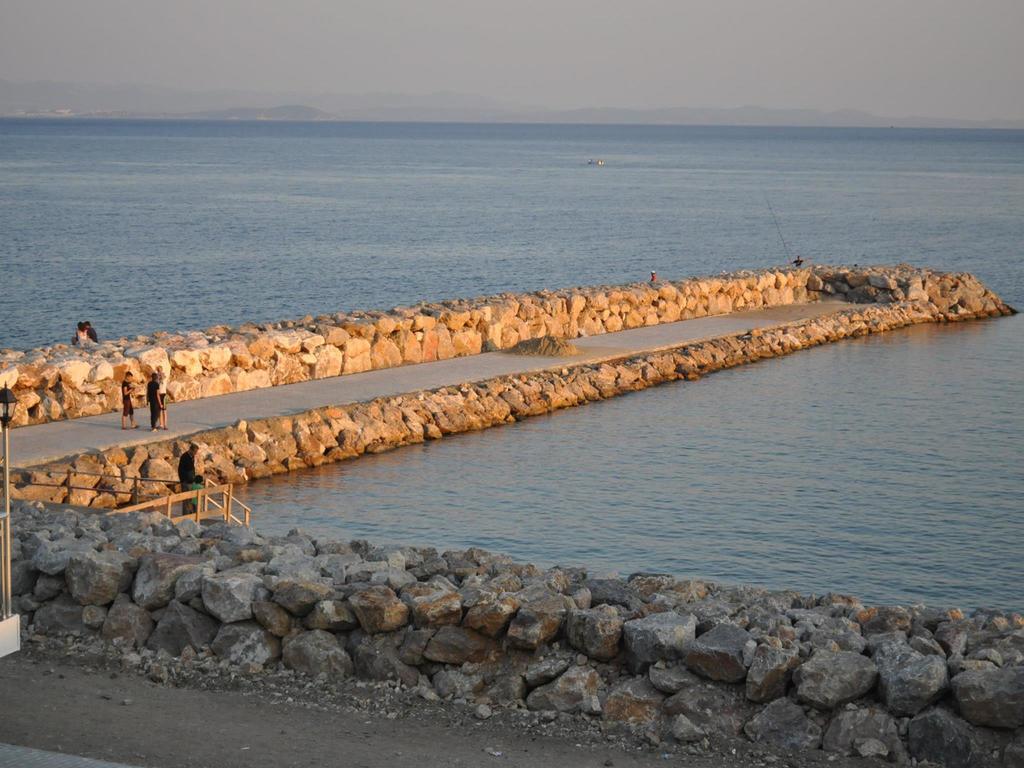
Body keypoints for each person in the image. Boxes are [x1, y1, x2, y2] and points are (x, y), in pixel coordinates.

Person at [177, 444, 199, 514]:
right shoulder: (185, 457)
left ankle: (192, 515)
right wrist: (185, 480)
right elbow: (183, 470)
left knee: (192, 500)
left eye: (196, 452)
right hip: (186, 482)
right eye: (195, 451)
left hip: (191, 482)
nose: (196, 453)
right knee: (187, 501)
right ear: (191, 450)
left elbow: (192, 470)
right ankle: (186, 517)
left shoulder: (192, 457)